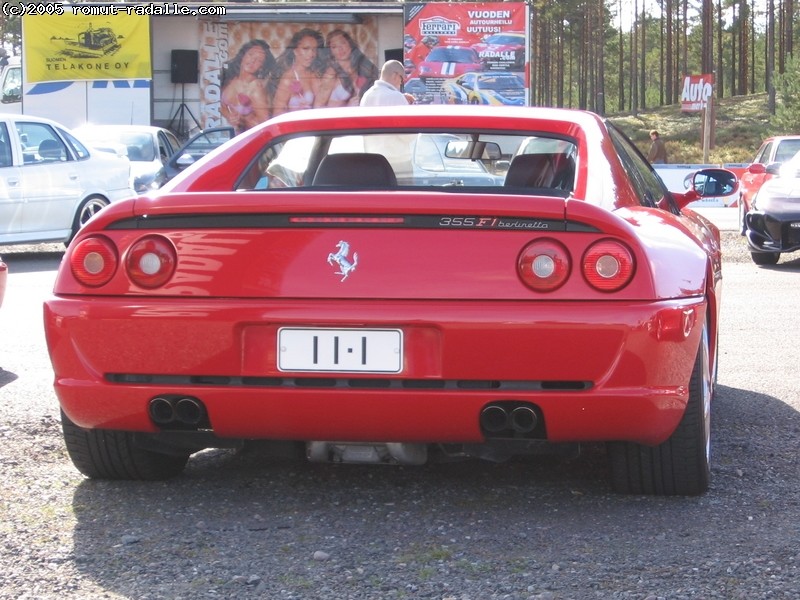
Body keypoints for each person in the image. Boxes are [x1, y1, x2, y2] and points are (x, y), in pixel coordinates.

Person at [220, 40, 276, 134]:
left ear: (261, 67)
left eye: (258, 60)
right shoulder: (231, 79)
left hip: (251, 142)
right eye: (250, 55)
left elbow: (265, 126)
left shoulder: (256, 88)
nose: (252, 61)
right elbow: (222, 106)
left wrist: (244, 119)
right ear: (243, 55)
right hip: (234, 139)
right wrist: (229, 116)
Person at [271, 29, 329, 116]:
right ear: (295, 51)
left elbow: (322, 104)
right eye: (306, 49)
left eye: (314, 49)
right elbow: (277, 113)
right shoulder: (288, 78)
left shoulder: (314, 74)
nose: (311, 54)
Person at [320, 29, 379, 107]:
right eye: (334, 47)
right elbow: (318, 107)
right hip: (341, 118)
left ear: (350, 44)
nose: (340, 49)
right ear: (331, 51)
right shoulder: (330, 74)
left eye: (343, 43)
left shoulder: (360, 67)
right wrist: (346, 106)